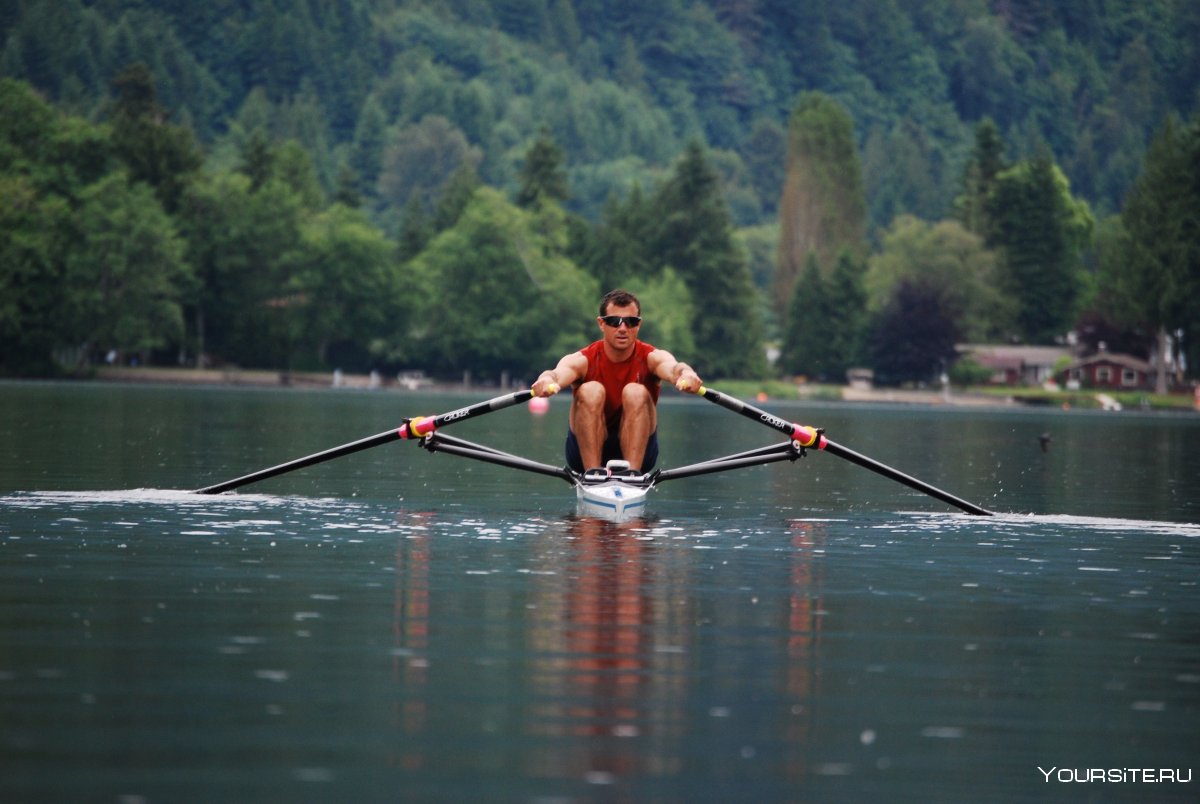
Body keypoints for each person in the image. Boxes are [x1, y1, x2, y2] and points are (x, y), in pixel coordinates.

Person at [531, 289, 703, 477]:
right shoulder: (583, 360)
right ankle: (592, 474)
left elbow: (674, 368)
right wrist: (546, 380)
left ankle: (632, 475)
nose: (622, 328)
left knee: (635, 392)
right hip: (583, 451)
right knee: (590, 390)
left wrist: (687, 374)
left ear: (639, 325)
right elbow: (555, 375)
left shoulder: (652, 357)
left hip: (641, 450)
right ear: (601, 323)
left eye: (631, 322)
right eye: (614, 321)